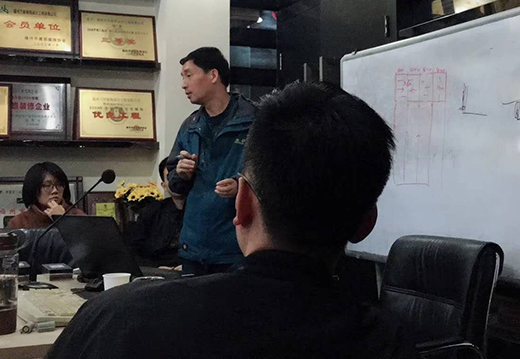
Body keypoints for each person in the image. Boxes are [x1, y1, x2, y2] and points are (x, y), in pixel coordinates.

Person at [47, 81, 415, 359]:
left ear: (242, 204)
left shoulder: (117, 318)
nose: (184, 82)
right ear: (366, 223)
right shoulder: (390, 344)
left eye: (188, 74)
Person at [166, 47, 256, 275]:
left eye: (189, 75)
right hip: (194, 248)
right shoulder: (191, 125)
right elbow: (174, 183)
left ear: (213, 75)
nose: (184, 85)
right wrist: (181, 174)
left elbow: (275, 176)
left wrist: (241, 187)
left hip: (238, 247)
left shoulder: (255, 120)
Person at [127, 157, 184, 267]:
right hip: (157, 270)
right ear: (164, 185)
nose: (177, 182)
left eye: (180, 176)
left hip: (192, 271)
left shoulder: (202, 211)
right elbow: (133, 251)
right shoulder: (151, 212)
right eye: (171, 177)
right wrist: (156, 267)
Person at [7, 162, 84, 229]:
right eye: (47, 185)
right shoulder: (19, 222)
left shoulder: (77, 216)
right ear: (33, 189)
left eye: (59, 185)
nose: (55, 190)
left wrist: (63, 220)